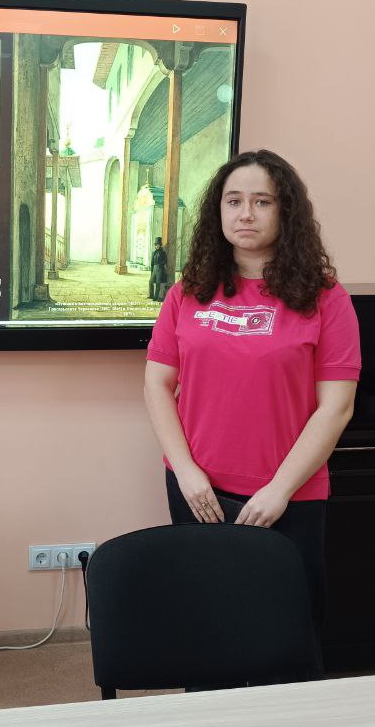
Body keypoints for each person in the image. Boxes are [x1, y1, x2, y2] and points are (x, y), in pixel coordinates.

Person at [144, 149, 361, 675]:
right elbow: (157, 384)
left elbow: (336, 407)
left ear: (286, 212)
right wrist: (187, 473)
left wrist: (278, 491)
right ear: (217, 211)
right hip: (198, 492)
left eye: (262, 202)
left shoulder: (326, 298)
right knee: (207, 629)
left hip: (289, 498)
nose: (246, 214)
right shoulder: (187, 293)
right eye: (233, 201)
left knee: (286, 636)